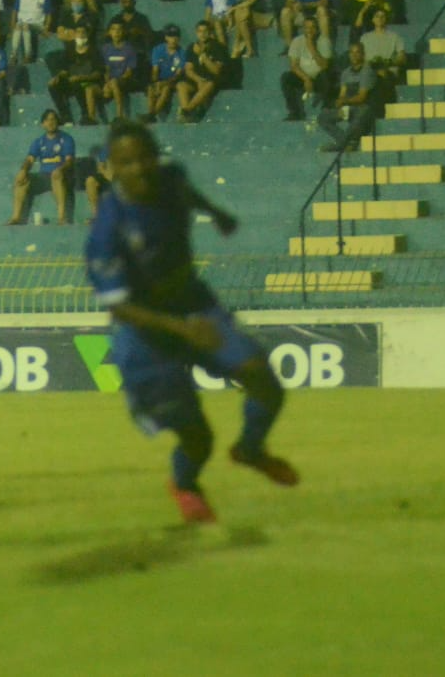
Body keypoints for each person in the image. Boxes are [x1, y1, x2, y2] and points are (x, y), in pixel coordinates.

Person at [87, 120, 297, 523]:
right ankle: (185, 484)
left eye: (146, 156)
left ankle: (251, 449)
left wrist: (216, 212)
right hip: (146, 335)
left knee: (262, 378)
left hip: (194, 305)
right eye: (127, 162)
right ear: (112, 167)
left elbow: (184, 191)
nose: (141, 168)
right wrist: (183, 329)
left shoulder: (170, 178)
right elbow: (118, 307)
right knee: (198, 437)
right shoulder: (108, 230)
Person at [8, 109, 75, 225]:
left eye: (53, 119)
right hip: (43, 176)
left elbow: (69, 161)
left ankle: (61, 218)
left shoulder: (66, 139)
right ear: (42, 124)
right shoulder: (38, 142)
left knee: (56, 176)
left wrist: (60, 169)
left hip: (61, 176)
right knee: (21, 180)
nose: (50, 122)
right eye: (47, 120)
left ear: (57, 122)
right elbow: (30, 159)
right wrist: (23, 171)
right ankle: (15, 218)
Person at [318, 43, 381, 152]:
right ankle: (347, 143)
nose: (354, 55)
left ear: (363, 55)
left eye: (357, 52)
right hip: (349, 108)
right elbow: (342, 94)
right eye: (352, 52)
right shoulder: (345, 73)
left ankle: (340, 145)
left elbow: (361, 97)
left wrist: (345, 101)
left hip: (364, 109)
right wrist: (339, 105)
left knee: (362, 112)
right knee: (323, 117)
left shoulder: (367, 72)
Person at [281, 17, 334, 121]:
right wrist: (306, 79)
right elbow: (294, 65)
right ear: (303, 29)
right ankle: (294, 112)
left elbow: (324, 66)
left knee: (327, 75)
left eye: (313, 27)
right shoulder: (297, 41)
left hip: (319, 77)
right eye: (306, 28)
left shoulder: (324, 41)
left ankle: (326, 109)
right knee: (286, 77)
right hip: (303, 77)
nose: (309, 30)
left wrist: (312, 48)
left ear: (317, 29)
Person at [49, 27, 103, 126]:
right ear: (75, 35)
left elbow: (98, 74)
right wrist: (57, 77)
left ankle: (85, 114)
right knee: (53, 86)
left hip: (87, 83)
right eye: (78, 32)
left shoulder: (94, 51)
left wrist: (81, 78)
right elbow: (64, 70)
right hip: (72, 83)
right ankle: (65, 116)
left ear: (87, 35)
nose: (81, 35)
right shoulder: (70, 50)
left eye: (83, 32)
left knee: (76, 84)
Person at [176, 21, 226, 124]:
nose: (202, 34)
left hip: (212, 81)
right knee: (181, 85)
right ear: (196, 32)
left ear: (210, 32)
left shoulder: (217, 46)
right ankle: (187, 115)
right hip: (197, 80)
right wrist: (198, 80)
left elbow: (216, 70)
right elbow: (188, 69)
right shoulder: (191, 47)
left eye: (205, 31)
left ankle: (187, 110)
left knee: (209, 84)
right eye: (199, 31)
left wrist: (203, 55)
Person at [10, 0, 53, 69]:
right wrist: (12, 25)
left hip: (37, 25)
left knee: (25, 26)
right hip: (22, 23)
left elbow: (48, 14)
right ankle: (14, 55)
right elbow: (14, 12)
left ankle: (28, 55)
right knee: (19, 25)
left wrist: (46, 27)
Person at [100, 21, 143, 120]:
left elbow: (128, 72)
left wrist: (112, 83)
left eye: (119, 29)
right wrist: (107, 83)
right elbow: (106, 70)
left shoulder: (129, 49)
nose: (116, 32)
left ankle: (119, 115)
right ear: (109, 32)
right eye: (114, 29)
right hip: (110, 81)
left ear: (123, 32)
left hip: (125, 80)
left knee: (114, 82)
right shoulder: (105, 49)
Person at [145, 24, 187, 123]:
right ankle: (151, 114)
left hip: (173, 81)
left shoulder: (182, 53)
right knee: (151, 88)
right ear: (166, 37)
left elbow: (178, 74)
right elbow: (155, 70)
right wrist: (156, 82)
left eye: (175, 36)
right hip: (159, 79)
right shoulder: (157, 49)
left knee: (166, 89)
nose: (173, 39)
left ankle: (151, 115)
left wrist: (164, 83)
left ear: (179, 38)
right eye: (170, 36)